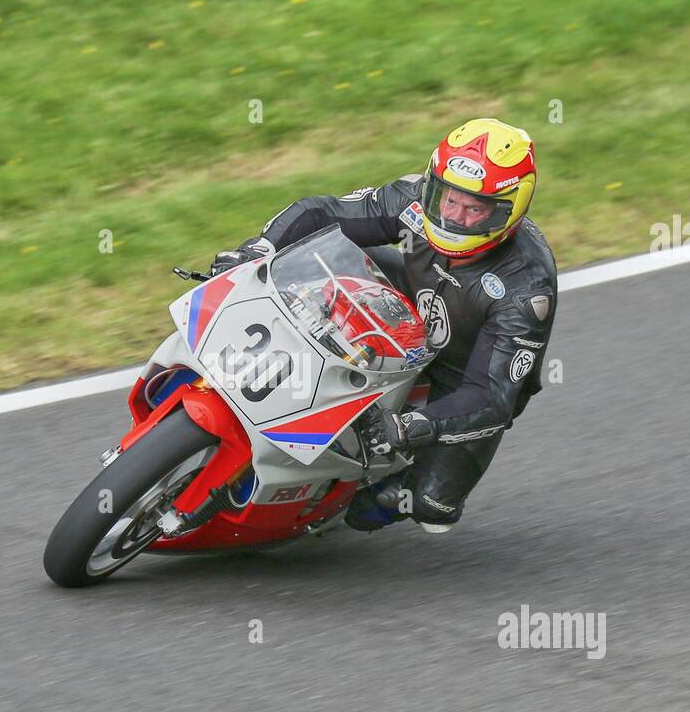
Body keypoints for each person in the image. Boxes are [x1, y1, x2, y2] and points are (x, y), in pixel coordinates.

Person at [211, 118, 557, 533]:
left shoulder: (526, 288)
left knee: (431, 505)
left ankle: (349, 500)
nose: (454, 216)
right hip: (402, 302)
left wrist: (408, 427)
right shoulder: (413, 200)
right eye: (449, 199)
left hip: (464, 372)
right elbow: (324, 212)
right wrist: (259, 248)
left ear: (508, 210)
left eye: (474, 209)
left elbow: (490, 396)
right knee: (318, 268)